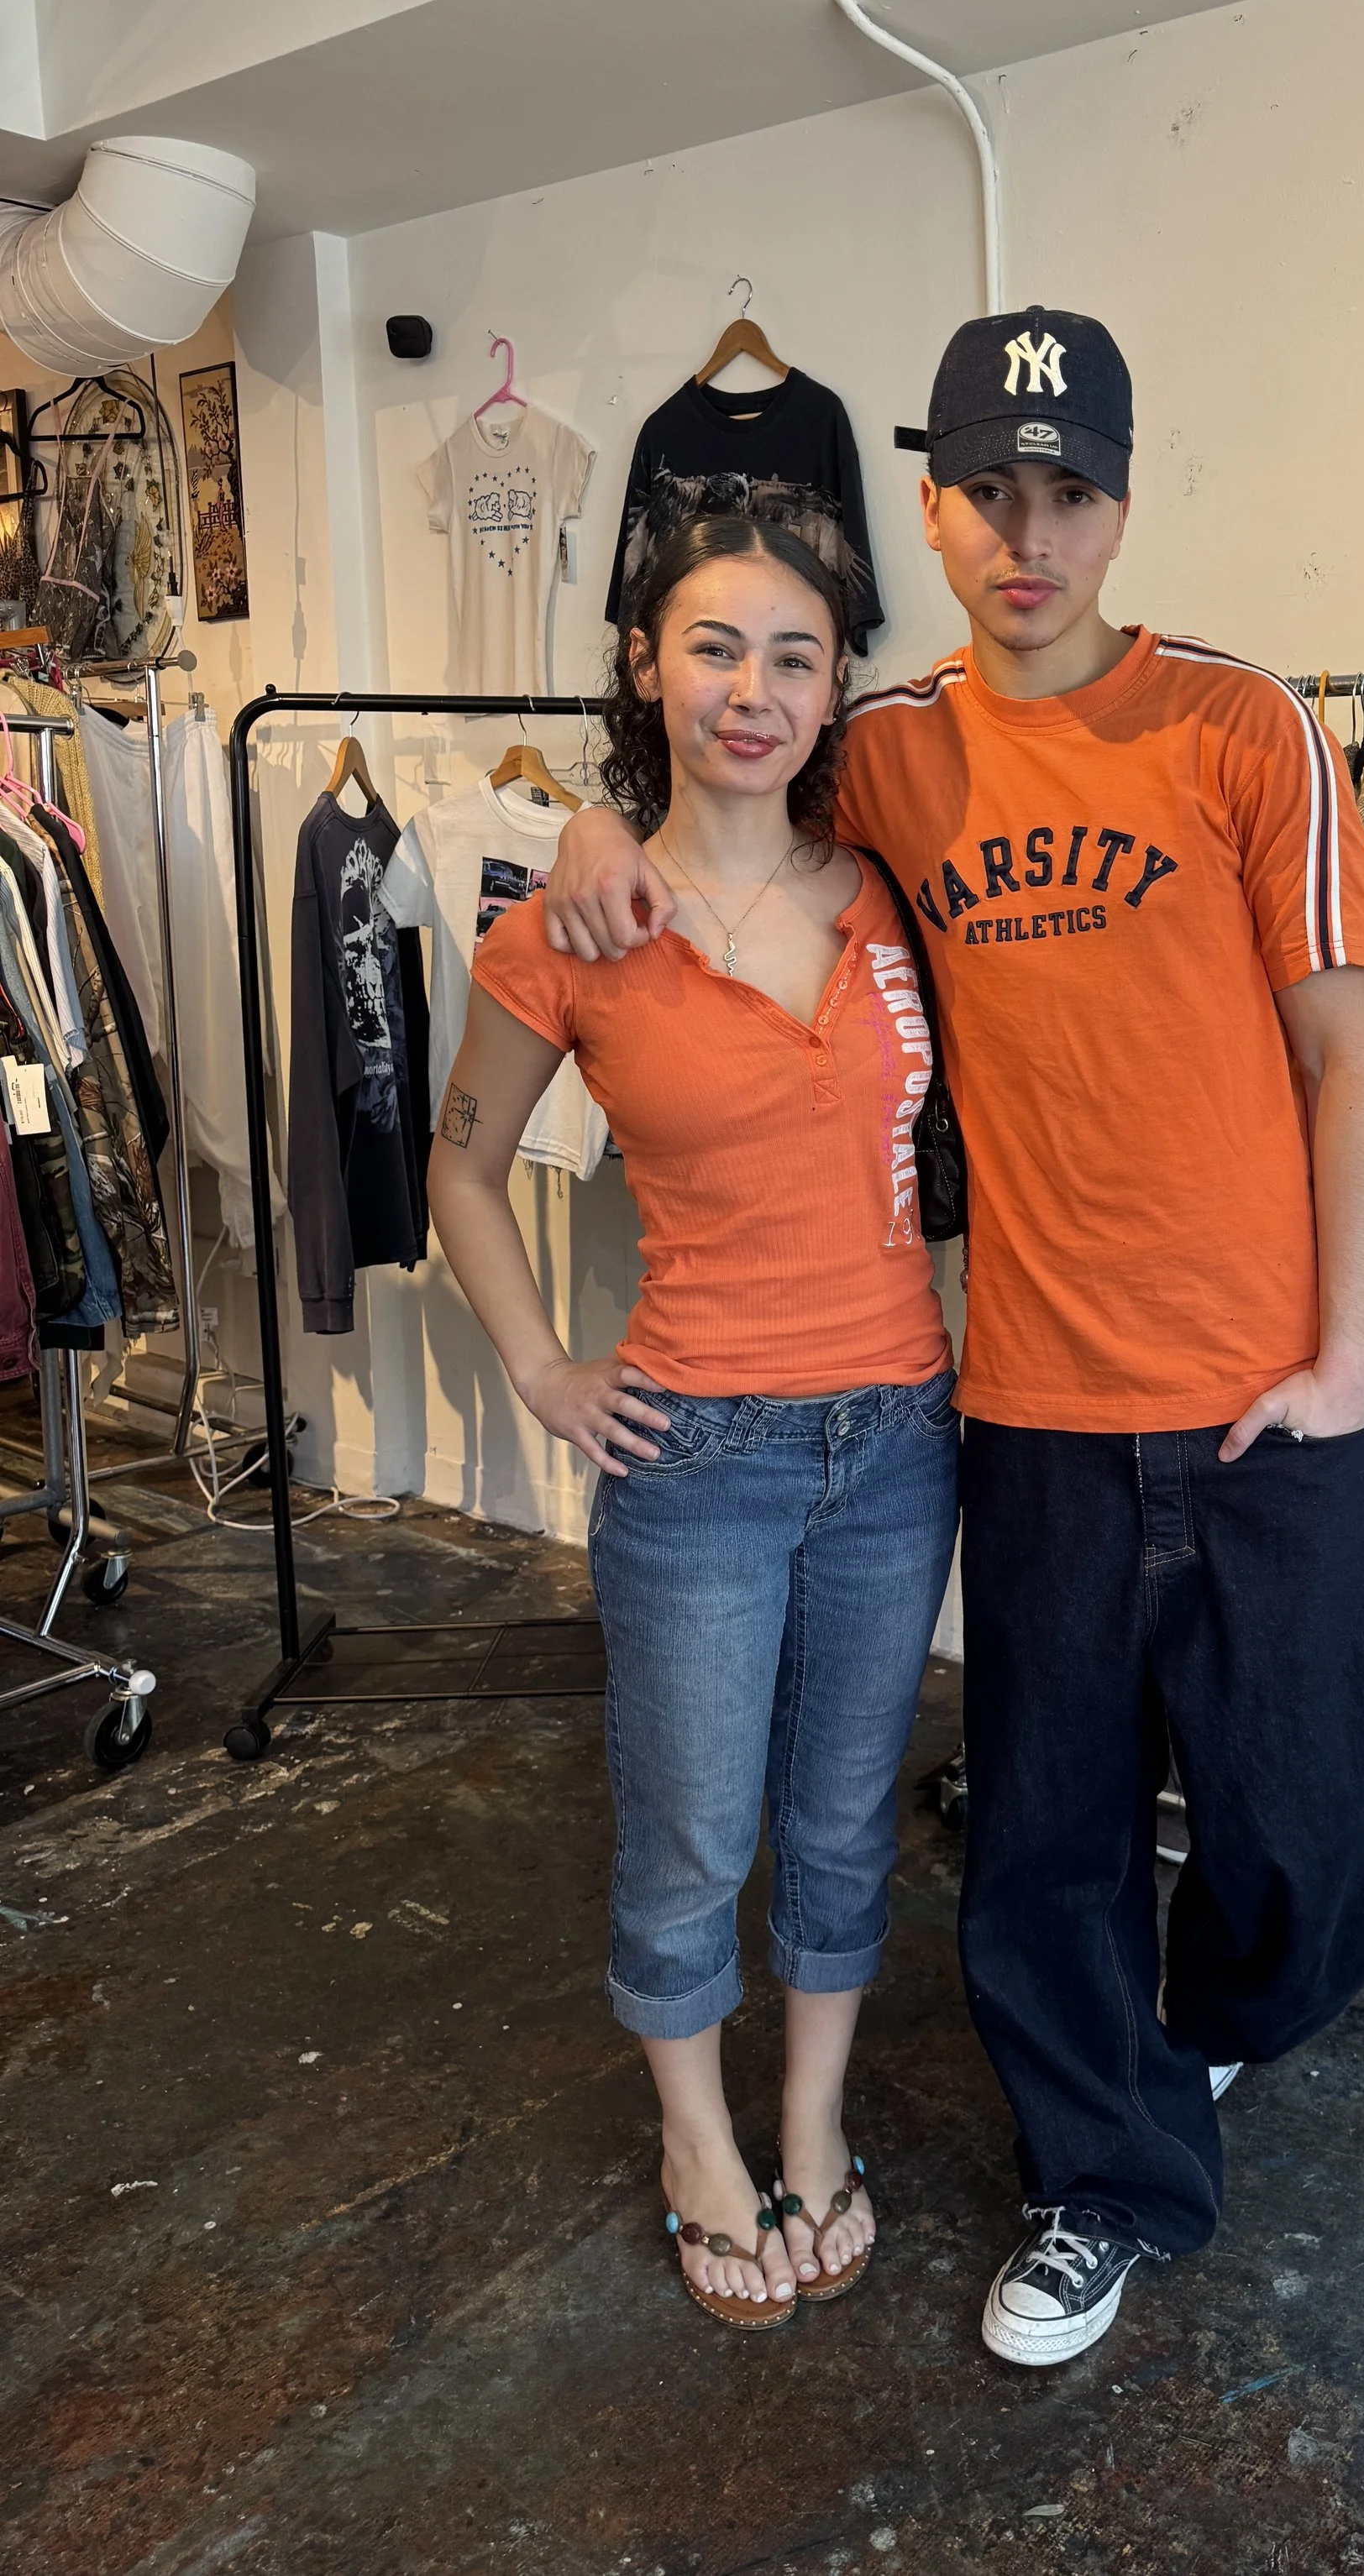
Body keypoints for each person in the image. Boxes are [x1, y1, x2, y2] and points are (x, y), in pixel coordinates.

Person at [541, 311, 1364, 2365]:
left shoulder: (1245, 729)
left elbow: (1349, 1059)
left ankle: (1178, 2046)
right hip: (1026, 1399)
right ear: (932, 511)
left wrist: (1350, 1354)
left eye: (1070, 491)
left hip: (1259, 1391)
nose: (1028, 534)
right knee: (1041, 1841)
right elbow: (717, 794)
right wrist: (582, 827)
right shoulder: (888, 750)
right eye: (986, 491)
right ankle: (1102, 2180)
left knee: (1340, 1809)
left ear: (1122, 502)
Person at [426, 484, 959, 2331]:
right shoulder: (573, 922)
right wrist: (541, 1370)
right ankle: (692, 2138)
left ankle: (808, 2117)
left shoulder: (883, 888)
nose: (753, 688)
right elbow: (464, 1167)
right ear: (644, 668)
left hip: (898, 1435)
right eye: (713, 646)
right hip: (698, 1458)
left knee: (837, 1815)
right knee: (688, 1831)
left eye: (793, 656)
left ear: (833, 693)